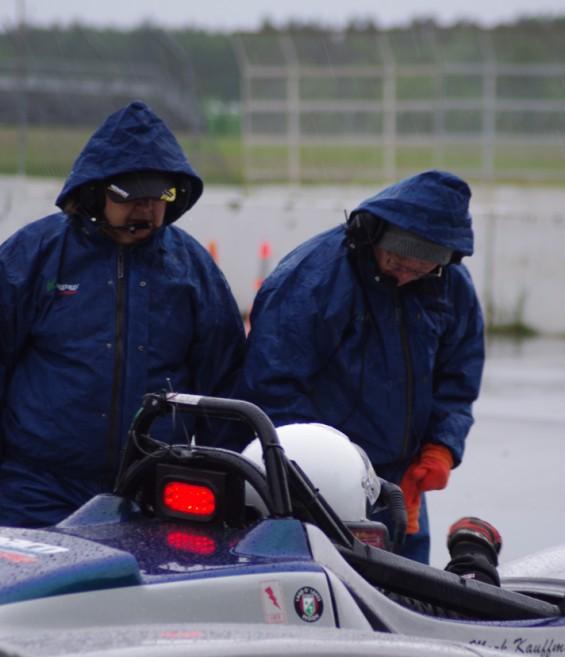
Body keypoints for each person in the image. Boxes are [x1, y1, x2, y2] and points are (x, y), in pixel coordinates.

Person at [0, 100, 245, 528]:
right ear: (95, 192)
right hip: (36, 489)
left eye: (160, 196)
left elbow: (224, 387)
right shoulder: (33, 256)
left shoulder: (193, 269)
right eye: (131, 196)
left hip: (154, 489)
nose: (146, 209)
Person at [236, 170, 484, 563]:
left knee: (409, 599)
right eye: (398, 262)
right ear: (374, 235)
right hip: (320, 480)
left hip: (400, 484)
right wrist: (313, 474)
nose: (405, 277)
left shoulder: (450, 285)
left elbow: (458, 375)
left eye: (421, 270)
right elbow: (272, 385)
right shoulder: (312, 279)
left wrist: (441, 446)